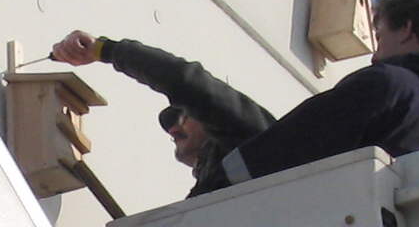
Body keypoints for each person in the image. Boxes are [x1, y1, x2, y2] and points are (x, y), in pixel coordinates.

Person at [48, 0, 419, 194]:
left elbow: (295, 142)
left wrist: (105, 50)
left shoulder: (391, 84)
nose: (374, 51)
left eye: (381, 33)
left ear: (406, 29)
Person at [47, 28, 271, 196]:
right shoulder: (215, 188)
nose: (173, 130)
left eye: (183, 117)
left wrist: (104, 50)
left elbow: (187, 83)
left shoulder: (257, 144)